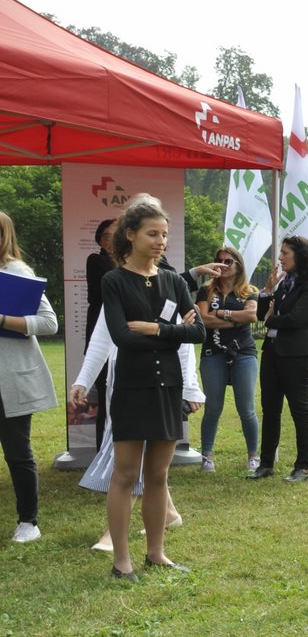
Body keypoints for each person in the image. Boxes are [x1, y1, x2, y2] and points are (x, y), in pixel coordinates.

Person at [94, 196, 206, 579]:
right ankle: (121, 560)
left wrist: (159, 329)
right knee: (126, 474)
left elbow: (198, 331)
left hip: (167, 387)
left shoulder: (174, 281)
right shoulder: (113, 280)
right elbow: (122, 337)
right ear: (131, 235)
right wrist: (173, 335)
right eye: (152, 234)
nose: (161, 241)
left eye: (164, 234)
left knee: (159, 475)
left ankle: (156, 554)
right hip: (133, 386)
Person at [71, 304, 198, 548]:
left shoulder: (168, 282)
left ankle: (116, 535)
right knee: (130, 460)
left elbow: (185, 339)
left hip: (163, 384)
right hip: (123, 386)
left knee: (146, 465)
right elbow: (100, 340)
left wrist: (190, 388)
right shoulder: (115, 285)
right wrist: (83, 381)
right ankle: (168, 515)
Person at [0, 210, 58, 543]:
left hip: (9, 380)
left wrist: (4, 320)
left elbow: (50, 324)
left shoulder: (16, 273)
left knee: (17, 451)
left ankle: (28, 522)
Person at [251, 236, 308, 483]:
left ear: (299, 256)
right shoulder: (284, 284)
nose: (280, 258)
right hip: (272, 352)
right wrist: (266, 292)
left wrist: (272, 319)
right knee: (270, 410)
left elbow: (296, 320)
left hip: (296, 356)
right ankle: (266, 464)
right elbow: (261, 315)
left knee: (299, 409)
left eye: (284, 253)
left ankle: (302, 467)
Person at [195, 245, 260, 474]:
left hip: (243, 353)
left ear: (238, 265)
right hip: (213, 353)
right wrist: (236, 320)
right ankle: (207, 457)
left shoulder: (249, 290)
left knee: (246, 407)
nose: (222, 265)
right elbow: (203, 320)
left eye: (228, 261)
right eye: (219, 260)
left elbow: (252, 315)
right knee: (212, 407)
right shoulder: (206, 290)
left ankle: (253, 455)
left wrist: (222, 314)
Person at [84, 218, 117, 449]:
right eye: (106, 236)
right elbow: (106, 290)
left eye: (116, 235)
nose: (111, 240)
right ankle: (102, 455)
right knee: (105, 398)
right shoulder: (96, 261)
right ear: (100, 240)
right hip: (102, 337)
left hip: (128, 339)